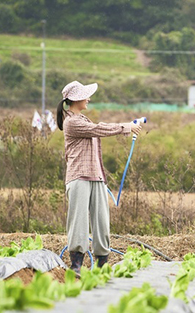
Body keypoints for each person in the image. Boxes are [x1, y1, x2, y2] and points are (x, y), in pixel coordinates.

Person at [56, 81, 142, 274]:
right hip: (79, 177)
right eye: (86, 95)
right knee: (78, 220)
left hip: (96, 176)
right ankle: (77, 264)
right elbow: (99, 130)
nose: (89, 98)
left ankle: (103, 262)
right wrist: (125, 127)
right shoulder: (72, 122)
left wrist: (126, 127)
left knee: (102, 220)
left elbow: (96, 129)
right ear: (76, 99)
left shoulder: (83, 119)